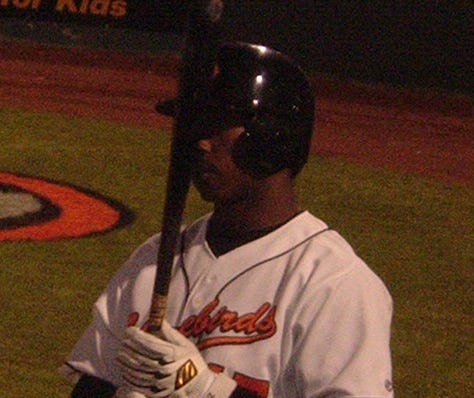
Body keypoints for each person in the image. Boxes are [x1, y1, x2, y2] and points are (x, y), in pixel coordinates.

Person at [61, 42, 394, 397]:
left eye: (218, 125)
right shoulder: (154, 259)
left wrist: (208, 389)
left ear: (273, 137)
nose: (200, 142)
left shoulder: (333, 283)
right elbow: (91, 384)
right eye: (195, 125)